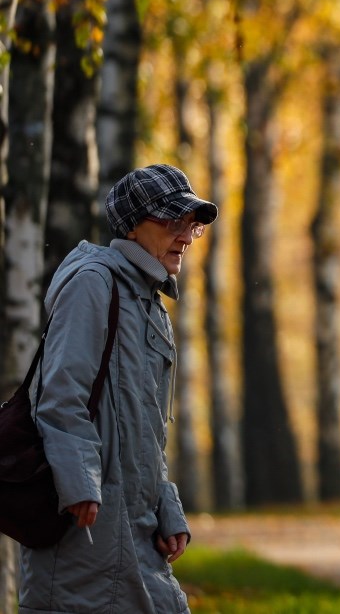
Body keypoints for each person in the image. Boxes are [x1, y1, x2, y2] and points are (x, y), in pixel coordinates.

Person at [21, 164, 217, 613]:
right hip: (86, 527)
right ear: (131, 226)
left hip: (135, 527)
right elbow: (60, 394)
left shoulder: (150, 304)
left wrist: (167, 506)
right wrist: (80, 486)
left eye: (191, 225)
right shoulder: (95, 283)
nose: (185, 236)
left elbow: (149, 430)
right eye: (172, 222)